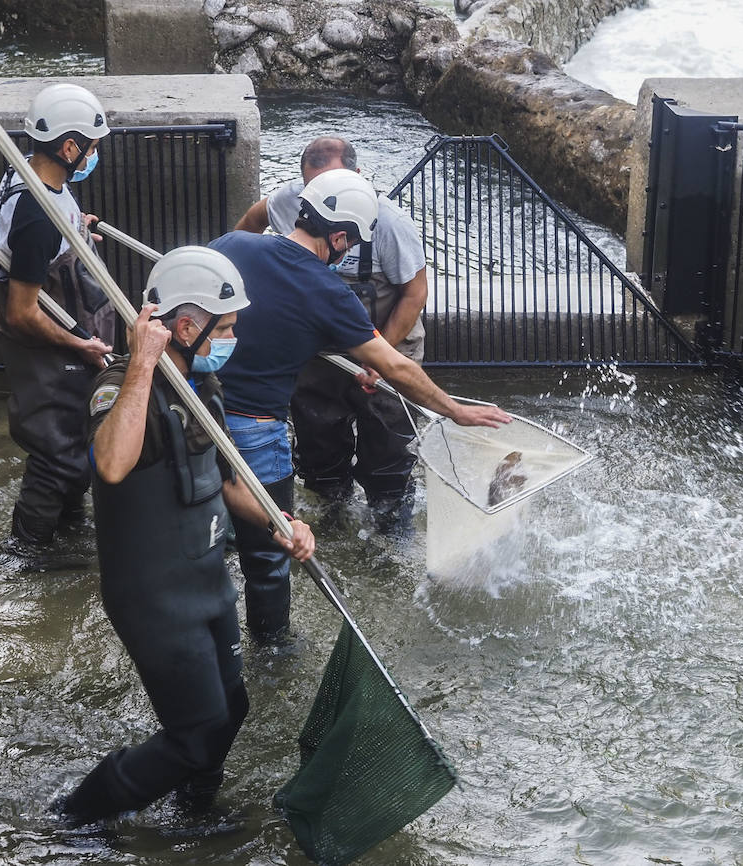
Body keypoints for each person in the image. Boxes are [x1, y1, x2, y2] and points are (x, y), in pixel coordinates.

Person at [58, 246, 315, 829]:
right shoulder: (122, 387)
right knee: (194, 732)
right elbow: (112, 465)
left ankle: (194, 808)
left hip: (204, 579)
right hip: (154, 595)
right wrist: (143, 365)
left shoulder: (206, 385)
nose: (231, 337)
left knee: (232, 709)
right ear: (184, 325)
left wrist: (282, 525)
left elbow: (226, 482)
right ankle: (76, 821)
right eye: (223, 327)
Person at [212, 168, 510, 644]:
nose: (347, 253)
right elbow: (396, 368)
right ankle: (273, 648)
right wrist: (454, 409)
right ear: (338, 237)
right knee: (269, 554)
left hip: (195, 413)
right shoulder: (327, 293)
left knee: (202, 533)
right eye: (348, 244)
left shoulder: (230, 246)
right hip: (255, 435)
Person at [236, 137, 428, 524]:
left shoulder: (389, 222)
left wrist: (381, 358)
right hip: (318, 346)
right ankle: (331, 510)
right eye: (314, 189)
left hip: (386, 337)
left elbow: (415, 293)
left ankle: (389, 522)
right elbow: (252, 224)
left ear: (356, 177)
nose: (325, 198)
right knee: (318, 442)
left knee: (388, 450)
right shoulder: (291, 199)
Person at [0, 83, 116, 560]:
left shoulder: (32, 177)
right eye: (93, 145)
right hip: (48, 346)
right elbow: (21, 312)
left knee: (74, 435)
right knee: (57, 448)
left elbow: (43, 242)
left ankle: (69, 527)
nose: (95, 152)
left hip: (66, 338)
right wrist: (76, 345)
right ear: (69, 146)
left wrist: (76, 230)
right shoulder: (39, 218)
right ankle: (25, 556)